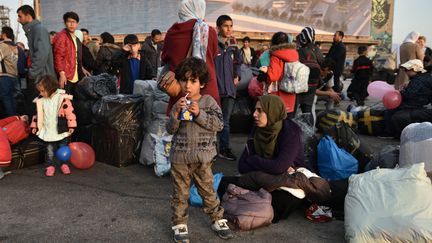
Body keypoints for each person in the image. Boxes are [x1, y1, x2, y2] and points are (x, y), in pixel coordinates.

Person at [166, 57, 233, 242]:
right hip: (180, 157)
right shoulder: (177, 103)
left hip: (203, 158)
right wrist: (177, 115)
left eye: (193, 81)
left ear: (201, 83)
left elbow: (219, 124)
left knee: (208, 190)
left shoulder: (209, 102)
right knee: (180, 193)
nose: (188, 85)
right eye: (184, 80)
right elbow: (170, 129)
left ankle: (217, 219)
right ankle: (179, 223)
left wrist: (199, 113)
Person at [161, 0, 219, 115]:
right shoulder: (209, 32)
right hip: (206, 89)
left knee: (180, 125)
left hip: (182, 90)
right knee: (207, 122)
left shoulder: (173, 33)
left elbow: (165, 58)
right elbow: (213, 56)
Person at [30, 75, 77, 177]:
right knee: (49, 151)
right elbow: (36, 114)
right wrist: (34, 126)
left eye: (43, 91)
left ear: (50, 88)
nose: (40, 93)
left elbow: (70, 113)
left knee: (62, 149)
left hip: (61, 129)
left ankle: (64, 164)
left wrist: (71, 126)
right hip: (48, 130)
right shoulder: (41, 100)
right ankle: (50, 166)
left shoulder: (62, 98)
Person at [215, 15, 242, 161]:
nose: (229, 29)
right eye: (226, 26)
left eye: (231, 26)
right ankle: (211, 149)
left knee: (226, 122)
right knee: (212, 121)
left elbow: (238, 62)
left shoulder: (233, 45)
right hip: (216, 89)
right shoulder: (212, 44)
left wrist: (237, 75)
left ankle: (224, 149)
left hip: (230, 90)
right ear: (218, 28)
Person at [385, 59, 432, 138]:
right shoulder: (425, 77)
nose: (406, 72)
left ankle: (392, 134)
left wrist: (400, 92)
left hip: (415, 104)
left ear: (415, 69)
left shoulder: (417, 80)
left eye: (407, 69)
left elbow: (408, 95)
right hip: (421, 103)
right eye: (405, 70)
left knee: (390, 112)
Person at [259, 32, 298, 116]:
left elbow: (273, 76)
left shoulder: (275, 55)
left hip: (278, 97)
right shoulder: (294, 55)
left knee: (277, 125)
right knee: (287, 124)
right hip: (290, 95)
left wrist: (265, 72)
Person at [52, 12, 90, 95]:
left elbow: (75, 56)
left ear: (77, 24)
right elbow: (58, 56)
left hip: (75, 75)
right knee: (65, 102)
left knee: (73, 102)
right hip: (66, 76)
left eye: (74, 22)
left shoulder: (76, 39)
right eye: (69, 22)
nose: (72, 24)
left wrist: (82, 68)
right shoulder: (61, 36)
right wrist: (61, 73)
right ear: (65, 23)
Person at [17, 5, 55, 82]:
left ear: (28, 16)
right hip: (40, 77)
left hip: (44, 78)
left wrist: (32, 73)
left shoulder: (39, 29)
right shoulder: (32, 30)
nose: (18, 20)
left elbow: (41, 54)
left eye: (20, 16)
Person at [297, 27, 324, 124]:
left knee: (296, 107)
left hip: (300, 82)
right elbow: (322, 62)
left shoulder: (299, 50)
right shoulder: (316, 48)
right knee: (307, 109)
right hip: (313, 83)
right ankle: (309, 132)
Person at [0, 27, 19, 116]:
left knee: (5, 98)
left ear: (4, 34)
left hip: (5, 76)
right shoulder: (15, 46)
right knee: (12, 98)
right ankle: (16, 119)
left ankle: (11, 119)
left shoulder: (3, 45)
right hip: (14, 76)